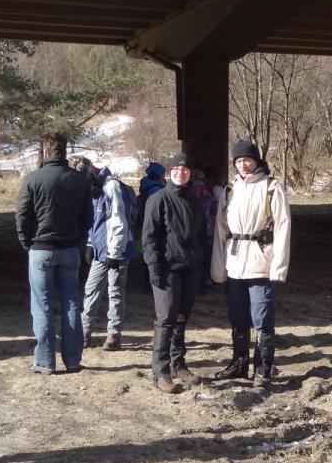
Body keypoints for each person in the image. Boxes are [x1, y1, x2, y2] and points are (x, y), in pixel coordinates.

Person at [211, 139, 292, 389]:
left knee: (262, 319)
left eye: (247, 160)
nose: (243, 165)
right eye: (238, 161)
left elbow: (282, 228)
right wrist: (218, 267)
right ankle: (239, 364)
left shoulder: (272, 188)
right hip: (235, 264)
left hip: (261, 264)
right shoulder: (230, 191)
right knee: (237, 317)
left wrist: (279, 267)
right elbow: (221, 231)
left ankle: (262, 369)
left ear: (256, 161)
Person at [16, 133, 93, 375]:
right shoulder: (80, 180)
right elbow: (87, 218)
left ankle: (45, 362)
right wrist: (77, 241)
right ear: (65, 151)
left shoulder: (33, 179)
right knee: (72, 305)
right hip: (69, 249)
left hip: (41, 249)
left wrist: (27, 242)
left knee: (42, 306)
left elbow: (22, 215)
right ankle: (73, 360)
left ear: (45, 152)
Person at [143, 152, 210, 393]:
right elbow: (149, 239)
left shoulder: (194, 200)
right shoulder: (158, 199)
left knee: (182, 318)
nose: (181, 172)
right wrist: (154, 270)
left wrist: (202, 265)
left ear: (190, 173)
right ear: (170, 172)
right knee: (165, 319)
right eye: (176, 169)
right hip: (167, 269)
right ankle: (160, 371)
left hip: (190, 269)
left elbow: (202, 235)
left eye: (185, 169)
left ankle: (178, 364)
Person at [81, 165, 138, 350]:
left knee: (115, 291)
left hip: (118, 250)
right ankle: (84, 332)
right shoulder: (92, 191)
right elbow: (95, 221)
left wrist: (113, 253)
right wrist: (90, 244)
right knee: (91, 289)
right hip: (100, 249)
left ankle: (114, 334)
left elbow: (119, 221)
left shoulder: (111, 187)